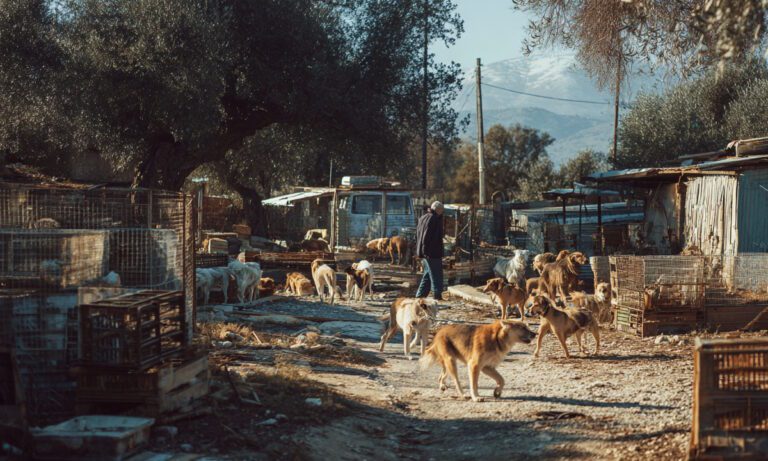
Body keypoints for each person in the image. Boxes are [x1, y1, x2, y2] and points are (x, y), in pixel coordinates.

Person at [415, 201, 444, 301]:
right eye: (441, 210)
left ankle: (420, 295)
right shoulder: (434, 219)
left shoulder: (423, 217)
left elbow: (419, 235)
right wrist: (427, 250)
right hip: (432, 252)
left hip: (424, 251)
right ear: (438, 210)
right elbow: (427, 236)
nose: (442, 213)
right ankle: (437, 295)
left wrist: (421, 251)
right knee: (436, 274)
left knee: (427, 275)